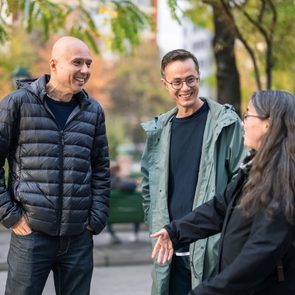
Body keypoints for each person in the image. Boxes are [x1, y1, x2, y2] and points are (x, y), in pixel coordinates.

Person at [151, 90, 295, 295]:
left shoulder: (282, 180)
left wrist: (206, 291)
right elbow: (221, 207)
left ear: (268, 123)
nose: (243, 122)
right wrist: (175, 231)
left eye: (248, 114)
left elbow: (259, 254)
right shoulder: (255, 168)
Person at [0, 36, 110, 295]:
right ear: (54, 64)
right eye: (77, 63)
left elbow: (101, 169)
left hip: (78, 237)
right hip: (31, 235)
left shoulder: (93, 111)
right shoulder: (17, 104)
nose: (85, 70)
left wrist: (96, 219)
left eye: (88, 64)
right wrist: (11, 215)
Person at [141, 49, 247, 294]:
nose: (185, 88)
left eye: (191, 79)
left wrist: (228, 238)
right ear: (165, 84)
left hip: (213, 249)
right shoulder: (159, 130)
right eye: (176, 82)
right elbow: (147, 186)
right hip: (169, 250)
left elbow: (242, 186)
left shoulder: (225, 124)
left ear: (199, 77)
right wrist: (154, 223)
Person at [107, 163, 140, 243]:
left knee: (108, 215)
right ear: (117, 171)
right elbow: (129, 186)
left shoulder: (107, 181)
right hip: (129, 212)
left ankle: (112, 235)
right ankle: (135, 234)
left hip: (112, 213)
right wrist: (134, 183)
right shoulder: (117, 181)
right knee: (137, 212)